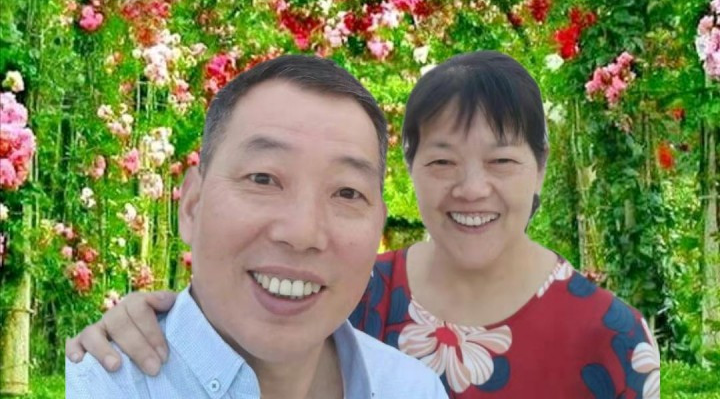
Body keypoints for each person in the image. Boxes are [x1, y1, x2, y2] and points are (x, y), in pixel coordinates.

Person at [67, 51, 660, 398]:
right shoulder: (360, 293)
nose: (472, 189)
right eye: (442, 162)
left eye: (502, 161)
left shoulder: (609, 332)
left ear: (540, 169)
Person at [65, 54, 447, 399]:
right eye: (263, 179)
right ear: (192, 206)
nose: (302, 233)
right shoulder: (97, 386)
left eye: (347, 192)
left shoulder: (413, 388)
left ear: (378, 227)